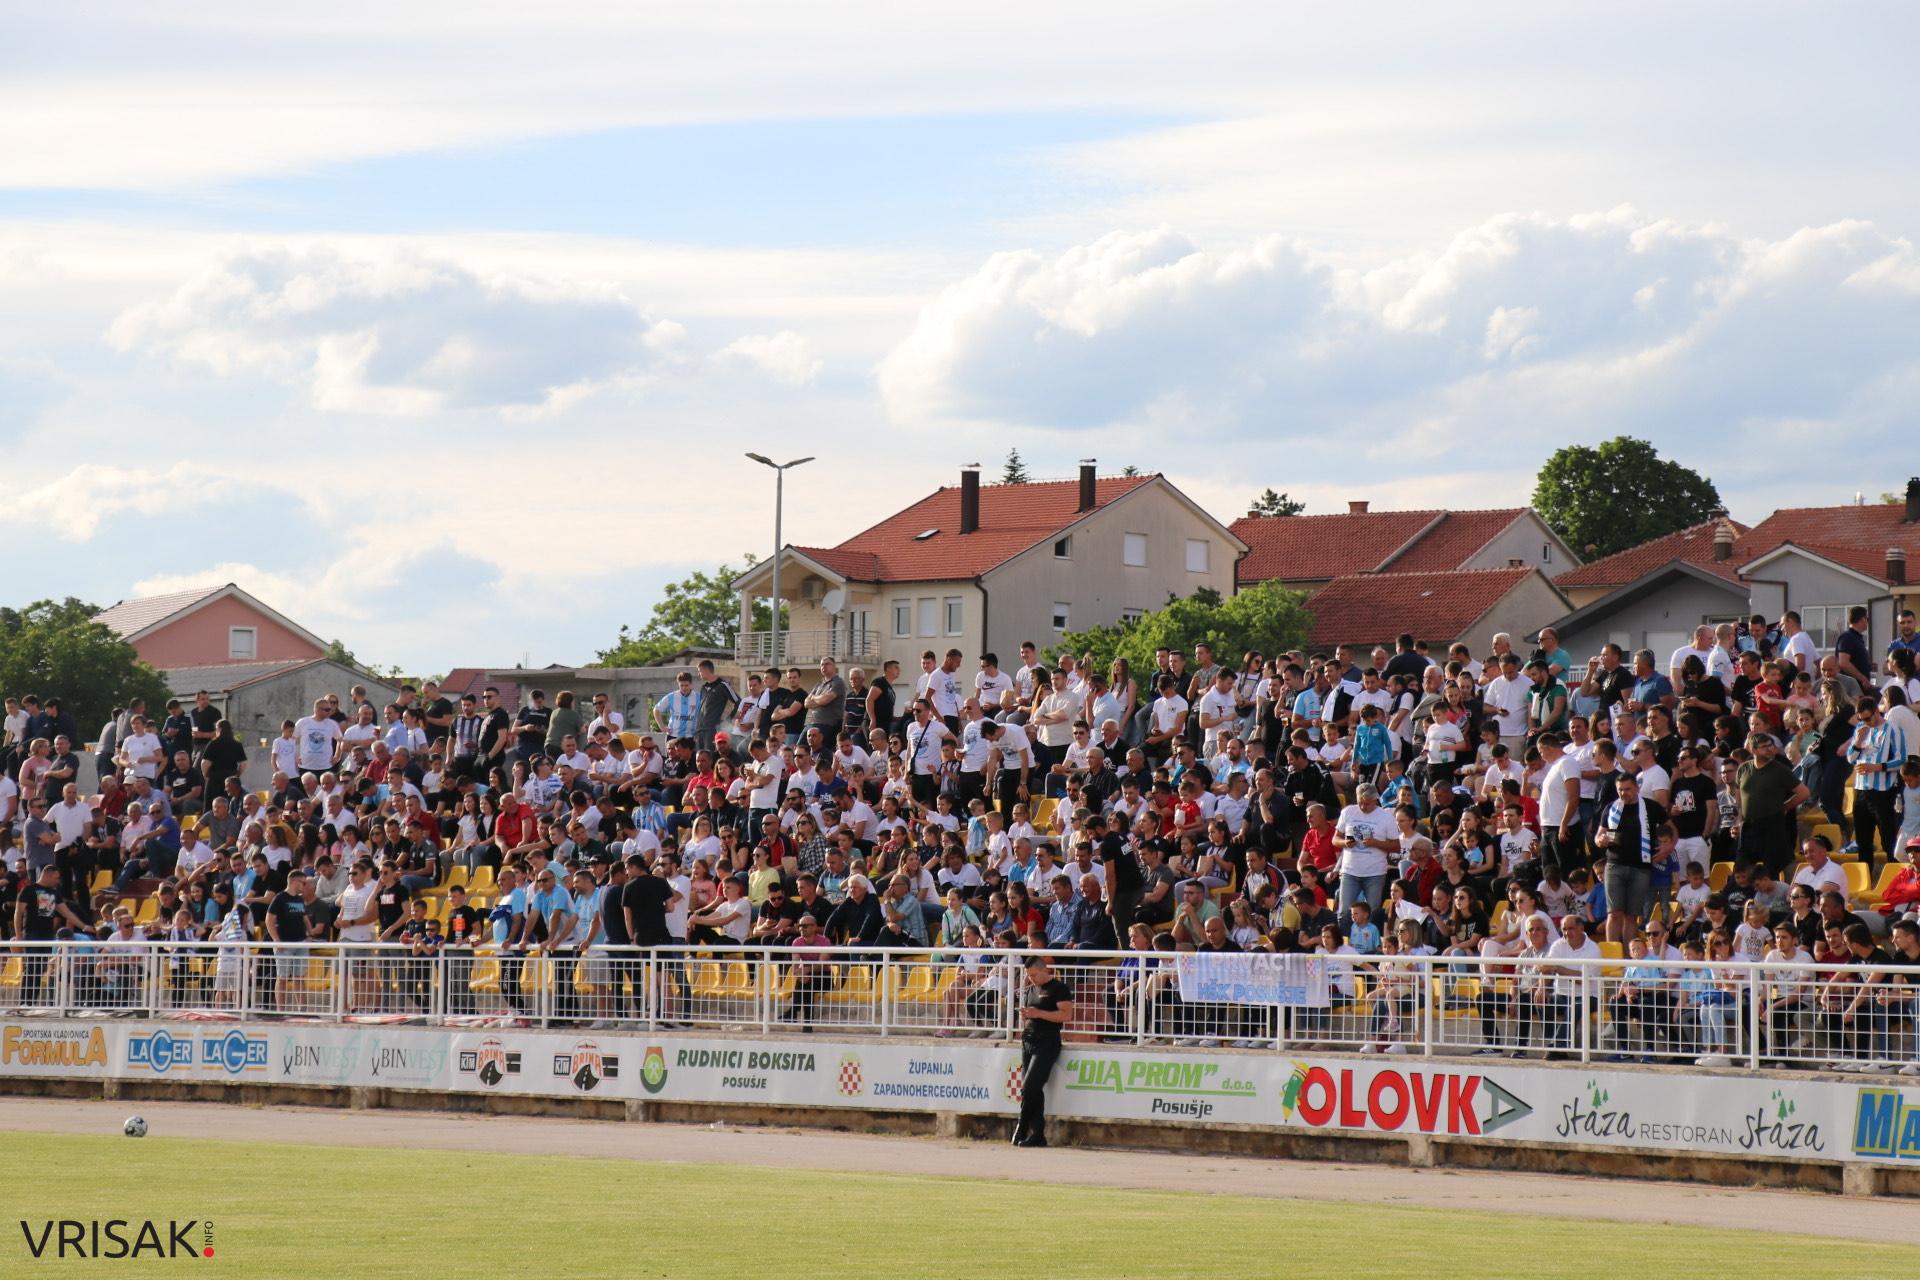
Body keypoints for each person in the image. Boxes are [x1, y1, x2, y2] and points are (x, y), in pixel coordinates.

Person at [1013, 953, 1073, 1148]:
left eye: (1034, 975)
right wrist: (1027, 1017)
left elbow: (1066, 1015)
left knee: (1029, 1087)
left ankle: (1022, 1126)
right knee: (1033, 1089)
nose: (1031, 979)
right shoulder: (1030, 990)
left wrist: (1038, 1013)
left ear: (1045, 970)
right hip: (1029, 1039)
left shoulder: (1059, 988)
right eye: (1029, 975)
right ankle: (1037, 1133)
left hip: (1047, 1041)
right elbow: (1032, 1012)